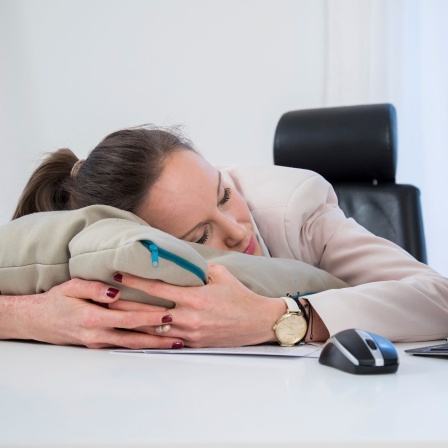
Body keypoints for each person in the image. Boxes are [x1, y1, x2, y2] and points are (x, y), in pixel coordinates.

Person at [1, 125, 447, 349]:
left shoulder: (297, 207)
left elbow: (439, 297)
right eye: (201, 233)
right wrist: (31, 316)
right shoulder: (121, 252)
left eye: (223, 194)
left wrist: (283, 317)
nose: (238, 230)